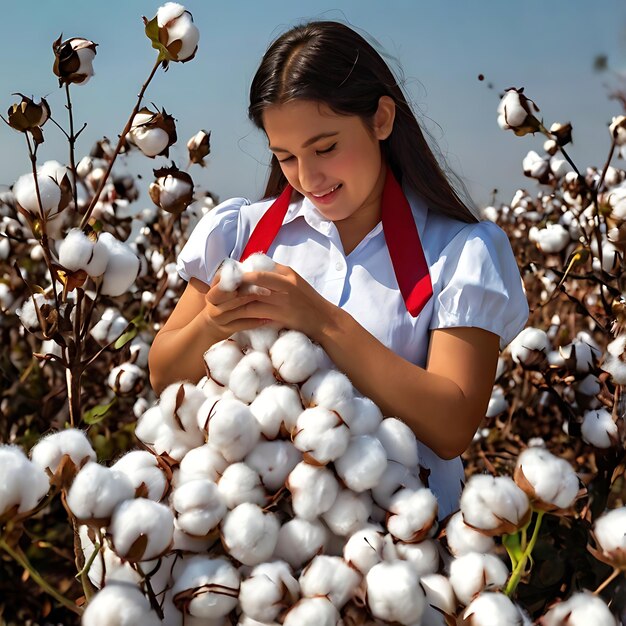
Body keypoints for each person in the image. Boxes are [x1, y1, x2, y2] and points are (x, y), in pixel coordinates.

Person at [148, 20, 528, 517]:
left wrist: (321, 320)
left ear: (382, 119)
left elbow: (453, 423)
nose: (309, 178)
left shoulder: (458, 250)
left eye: (326, 148)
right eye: (285, 156)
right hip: (255, 546)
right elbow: (164, 372)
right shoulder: (239, 233)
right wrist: (215, 321)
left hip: (399, 555)